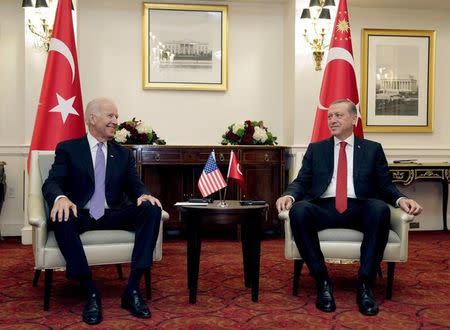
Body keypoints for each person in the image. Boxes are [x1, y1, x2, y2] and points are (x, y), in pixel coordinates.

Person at [276, 99, 422, 316]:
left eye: (338, 115)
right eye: (329, 116)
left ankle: (364, 284)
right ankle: (323, 281)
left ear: (354, 119)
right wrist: (289, 194)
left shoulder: (372, 149)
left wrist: (402, 200)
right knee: (299, 210)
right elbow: (302, 181)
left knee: (379, 208)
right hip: (324, 206)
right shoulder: (317, 149)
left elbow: (385, 186)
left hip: (359, 207)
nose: (332, 120)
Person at [42, 98, 162, 325]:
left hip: (113, 213)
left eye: (116, 116)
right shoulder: (69, 149)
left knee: (151, 208)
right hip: (83, 214)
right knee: (61, 216)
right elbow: (52, 182)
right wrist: (61, 197)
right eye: (110, 116)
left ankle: (132, 289)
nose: (116, 121)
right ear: (92, 118)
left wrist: (143, 194)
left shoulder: (123, 154)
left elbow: (134, 184)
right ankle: (90, 291)